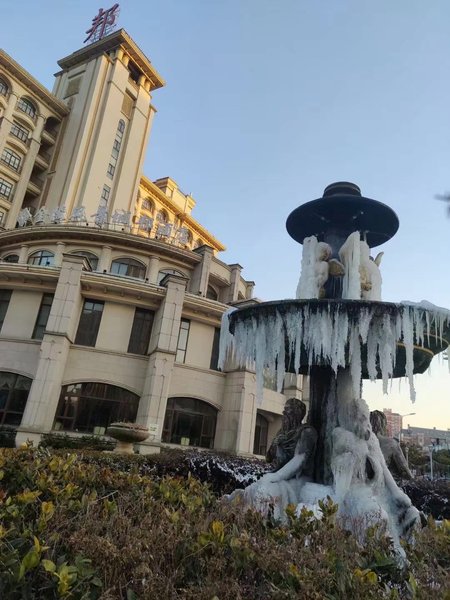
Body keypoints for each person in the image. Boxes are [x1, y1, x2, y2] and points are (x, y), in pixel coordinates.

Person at [227, 398, 317, 521]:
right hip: (280, 476)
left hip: (299, 479)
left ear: (297, 413)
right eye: (284, 410)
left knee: (268, 492)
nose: (284, 413)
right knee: (251, 490)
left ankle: (275, 523)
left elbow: (299, 460)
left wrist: (277, 476)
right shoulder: (282, 433)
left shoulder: (307, 432)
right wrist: (275, 444)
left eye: (288, 410)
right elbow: (269, 458)